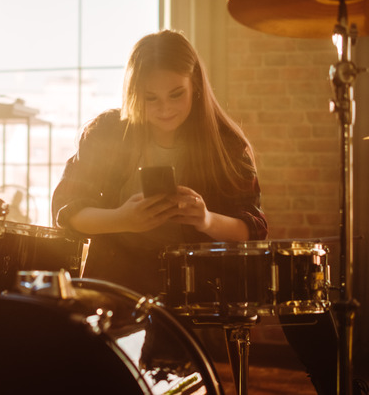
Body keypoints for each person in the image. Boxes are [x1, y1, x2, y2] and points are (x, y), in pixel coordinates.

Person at [51, 29, 341, 395]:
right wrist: (124, 219)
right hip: (118, 277)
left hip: (196, 280)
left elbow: (253, 229)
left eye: (176, 94)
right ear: (132, 93)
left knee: (297, 275)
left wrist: (205, 219)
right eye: (149, 98)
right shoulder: (108, 131)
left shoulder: (224, 143)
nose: (164, 108)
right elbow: (66, 209)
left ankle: (339, 387)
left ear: (197, 87)